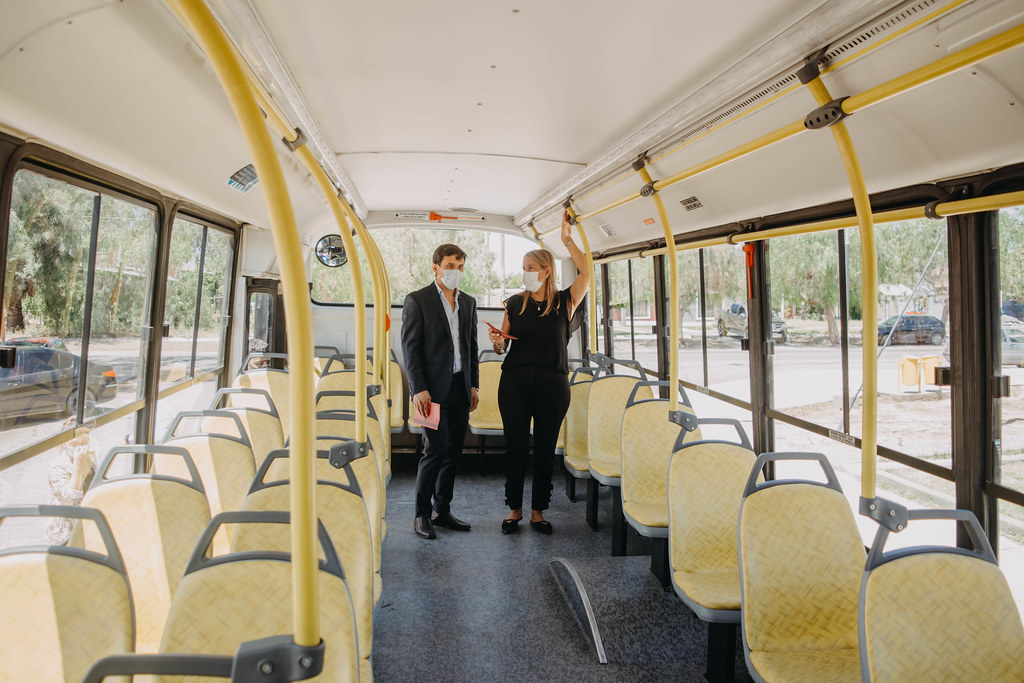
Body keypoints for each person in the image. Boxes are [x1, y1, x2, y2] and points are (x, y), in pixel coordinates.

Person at [488, 211, 590, 535]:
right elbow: (501, 346)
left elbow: (587, 271)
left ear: (547, 271)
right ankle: (514, 510)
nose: (526, 273)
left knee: (545, 450)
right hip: (515, 384)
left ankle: (538, 512)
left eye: (531, 268)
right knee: (516, 448)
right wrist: (497, 343)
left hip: (552, 385)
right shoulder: (514, 303)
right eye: (524, 268)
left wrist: (567, 240)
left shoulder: (565, 301)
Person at [401, 244, 480, 539]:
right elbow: (410, 349)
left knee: (453, 451)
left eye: (460, 267)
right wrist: (418, 389)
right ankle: (421, 514)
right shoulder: (417, 300)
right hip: (430, 392)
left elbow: (471, 347)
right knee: (433, 450)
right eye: (450, 266)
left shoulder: (468, 303)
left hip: (460, 387)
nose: (455, 272)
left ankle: (442, 510)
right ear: (436, 267)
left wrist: (473, 385)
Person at [44, 419, 98, 545]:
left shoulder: (90, 457)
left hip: (88, 525)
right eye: (74, 444)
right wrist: (78, 469)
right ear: (64, 444)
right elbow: (71, 499)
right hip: (65, 535)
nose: (80, 448)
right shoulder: (57, 467)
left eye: (84, 443)